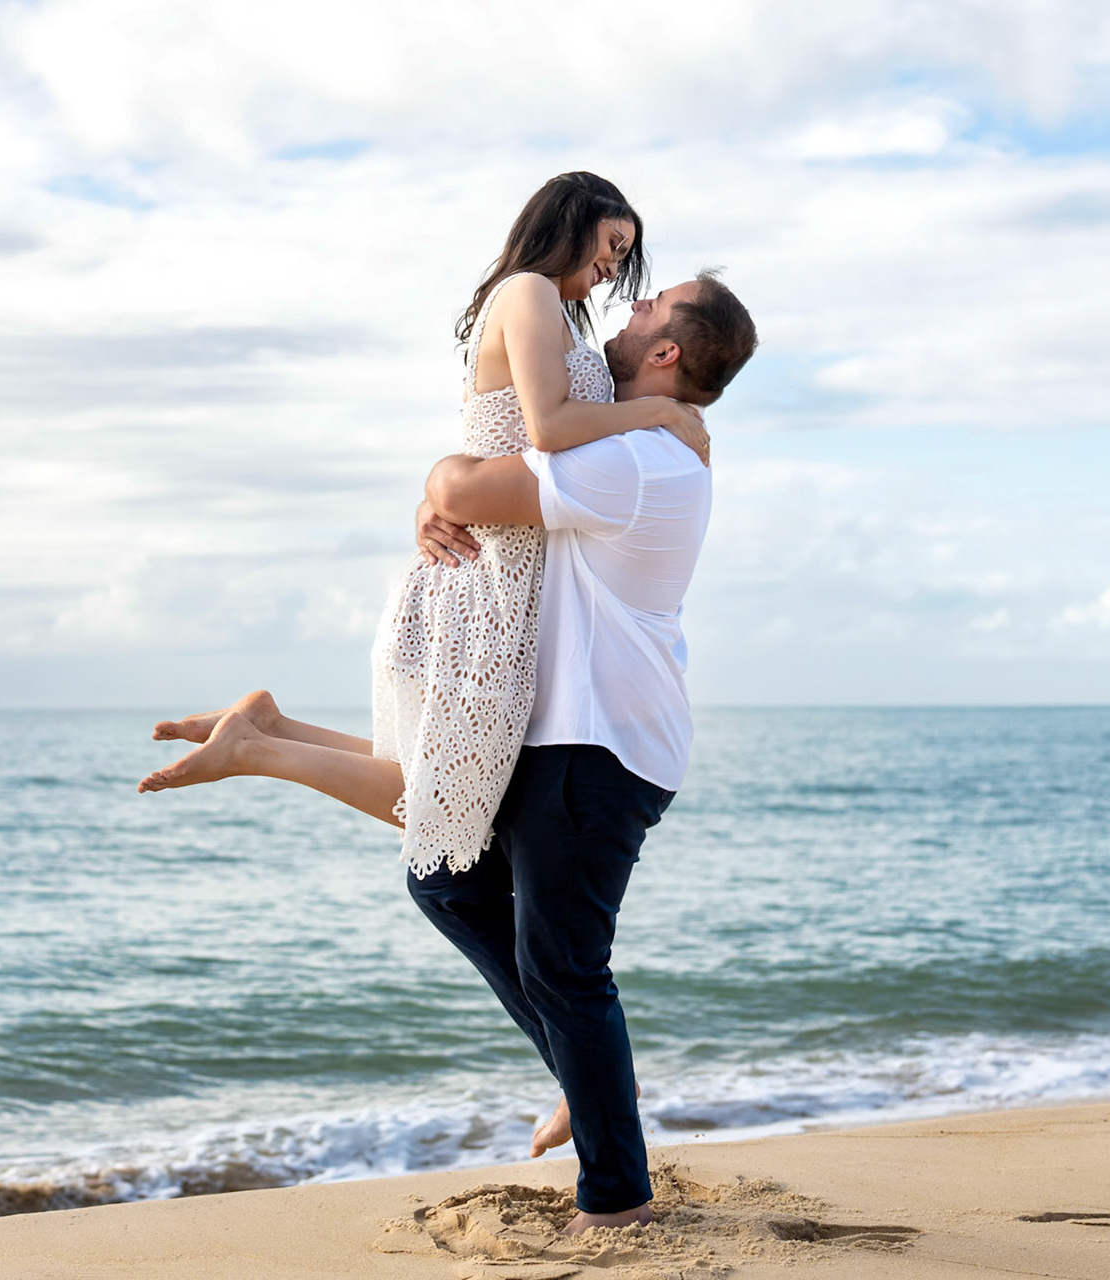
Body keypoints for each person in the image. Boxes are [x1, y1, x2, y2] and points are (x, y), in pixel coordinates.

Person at [145, 262, 760, 1231]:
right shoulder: (649, 448)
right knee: (447, 881)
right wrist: (445, 496)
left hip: (596, 745)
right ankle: (268, 730)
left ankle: (618, 1199)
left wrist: (440, 488)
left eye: (648, 303)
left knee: (564, 965)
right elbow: (485, 489)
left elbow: (470, 483)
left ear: (669, 348)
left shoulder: (634, 459)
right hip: (574, 729)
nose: (627, 305)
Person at [136, 171, 708, 883]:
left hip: (502, 577)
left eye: (626, 255)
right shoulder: (529, 291)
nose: (616, 266)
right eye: (613, 243)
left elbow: (523, 446)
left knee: (443, 774)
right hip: (483, 580)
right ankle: (258, 751)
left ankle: (271, 725)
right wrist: (661, 412)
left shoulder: (554, 313)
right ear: (571, 222)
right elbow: (550, 428)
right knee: (450, 802)